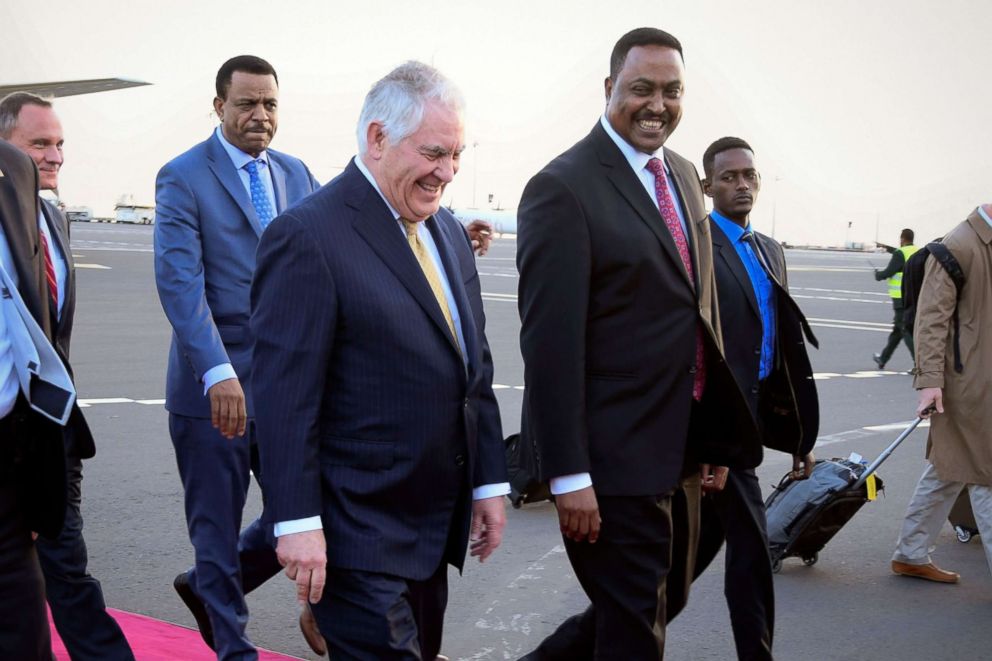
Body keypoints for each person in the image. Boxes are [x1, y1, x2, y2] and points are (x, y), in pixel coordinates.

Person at [250, 60, 508, 660]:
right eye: (433, 153)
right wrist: (296, 523)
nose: (446, 172)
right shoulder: (308, 236)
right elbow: (284, 403)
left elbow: (475, 371)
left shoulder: (445, 232)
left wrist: (489, 482)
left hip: (428, 533)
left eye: (457, 156)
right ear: (377, 138)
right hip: (352, 536)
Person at [516, 28, 759, 660]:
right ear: (609, 89)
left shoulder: (680, 174)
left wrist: (713, 435)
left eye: (672, 91)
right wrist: (568, 473)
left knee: (656, 604)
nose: (658, 105)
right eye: (642, 89)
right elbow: (550, 347)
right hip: (611, 459)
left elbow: (701, 312)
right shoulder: (563, 188)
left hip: (682, 446)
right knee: (634, 629)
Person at [154, 55, 322, 659]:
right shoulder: (182, 176)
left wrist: (445, 226)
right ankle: (234, 649)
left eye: (269, 104)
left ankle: (209, 588)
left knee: (301, 508)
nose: (259, 115)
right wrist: (217, 371)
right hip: (213, 391)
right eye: (246, 103)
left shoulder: (297, 174)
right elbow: (180, 283)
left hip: (283, 386)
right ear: (218, 105)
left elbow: (350, 231)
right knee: (216, 531)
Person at [0, 91, 135, 660]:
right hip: (14, 433)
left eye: (59, 144)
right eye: (39, 145)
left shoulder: (54, 217)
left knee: (63, 562)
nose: (54, 157)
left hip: (51, 431)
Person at [681, 137, 818, 660]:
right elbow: (698, 347)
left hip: (754, 420)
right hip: (717, 426)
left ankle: (582, 643)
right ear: (708, 186)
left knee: (677, 571)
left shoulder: (770, 250)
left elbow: (780, 351)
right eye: (730, 176)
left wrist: (798, 434)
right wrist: (713, 437)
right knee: (752, 553)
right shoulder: (698, 249)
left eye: (750, 176)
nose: (742, 184)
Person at [0, 138, 80, 660]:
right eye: (42, 142)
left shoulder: (14, 171)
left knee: (25, 629)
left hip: (9, 447)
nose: (53, 155)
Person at [891, 205, 992, 583]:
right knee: (986, 473)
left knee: (948, 469)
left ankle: (911, 552)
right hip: (967, 387)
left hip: (981, 381)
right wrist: (929, 382)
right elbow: (930, 322)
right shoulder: (958, 246)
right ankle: (910, 552)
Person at [872, 228, 918, 369]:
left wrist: (878, 275)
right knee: (898, 331)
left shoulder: (900, 253)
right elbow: (901, 255)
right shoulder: (916, 251)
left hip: (900, 298)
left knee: (904, 329)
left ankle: (919, 363)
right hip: (914, 296)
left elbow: (889, 271)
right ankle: (883, 359)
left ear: (902, 238)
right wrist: (887, 248)